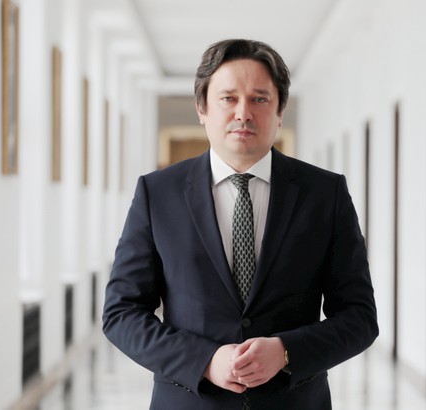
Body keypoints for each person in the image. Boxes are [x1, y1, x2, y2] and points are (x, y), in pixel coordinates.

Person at [103, 38, 378, 410]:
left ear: (280, 111)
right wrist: (204, 361)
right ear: (202, 108)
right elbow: (121, 314)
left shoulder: (325, 194)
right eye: (228, 98)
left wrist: (286, 351)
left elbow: (360, 317)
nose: (243, 113)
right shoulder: (157, 194)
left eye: (259, 99)